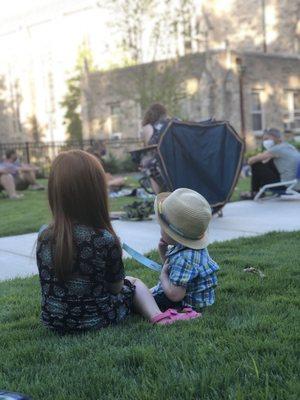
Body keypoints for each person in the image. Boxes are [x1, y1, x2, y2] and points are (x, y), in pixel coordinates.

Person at [36, 150, 200, 334]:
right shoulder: (104, 239)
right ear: (96, 193)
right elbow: (116, 288)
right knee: (133, 282)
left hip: (53, 320)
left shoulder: (44, 236)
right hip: (96, 319)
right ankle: (158, 317)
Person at [151, 188, 219, 312]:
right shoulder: (191, 250)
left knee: (142, 299)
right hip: (201, 300)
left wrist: (163, 277)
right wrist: (163, 250)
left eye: (162, 227)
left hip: (185, 304)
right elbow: (174, 269)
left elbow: (175, 295)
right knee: (146, 294)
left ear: (171, 233)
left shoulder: (183, 258)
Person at [241, 128, 300, 199]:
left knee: (256, 165)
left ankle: (254, 192)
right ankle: (257, 192)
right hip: (297, 184)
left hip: (288, 185)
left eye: (266, 139)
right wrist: (267, 158)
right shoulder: (289, 147)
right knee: (268, 162)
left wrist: (261, 156)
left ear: (274, 137)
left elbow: (250, 161)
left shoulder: (276, 149)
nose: (265, 141)